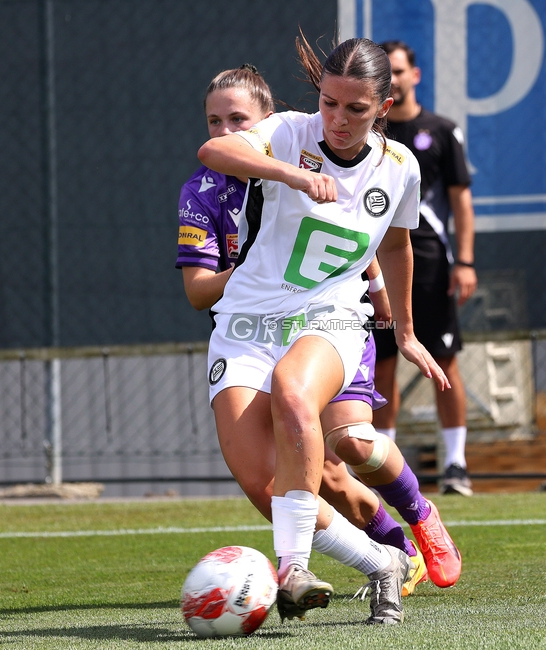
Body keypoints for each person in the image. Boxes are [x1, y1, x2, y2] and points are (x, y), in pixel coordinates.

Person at [178, 64, 462, 597]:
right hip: (246, 325)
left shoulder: (399, 165)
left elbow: (395, 246)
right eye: (329, 103)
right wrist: (291, 174)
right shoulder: (287, 133)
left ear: (383, 107)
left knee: (332, 425)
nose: (337, 118)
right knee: (263, 482)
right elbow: (211, 154)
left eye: (355, 108)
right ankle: (384, 558)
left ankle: (303, 564)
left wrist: (404, 332)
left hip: (328, 314)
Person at [373, 40, 479, 497]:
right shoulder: (368, 135)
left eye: (399, 70)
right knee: (381, 366)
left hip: (433, 264)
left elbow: (461, 200)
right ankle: (385, 470)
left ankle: (455, 465)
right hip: (374, 264)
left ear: (415, 75)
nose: (393, 79)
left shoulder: (441, 131)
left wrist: (467, 261)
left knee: (445, 361)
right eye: (385, 73)